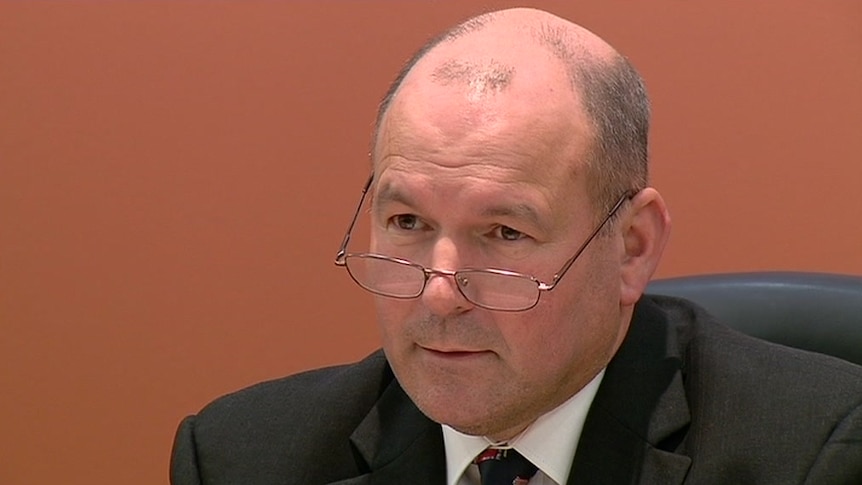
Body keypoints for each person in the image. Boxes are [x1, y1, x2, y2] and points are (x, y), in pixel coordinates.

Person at [170, 8, 862, 484]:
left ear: (632, 246)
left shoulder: (814, 453)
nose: (438, 292)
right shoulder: (243, 456)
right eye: (408, 222)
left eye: (503, 233)